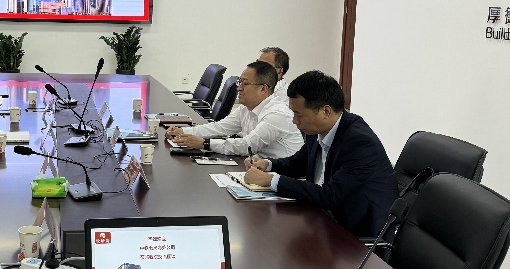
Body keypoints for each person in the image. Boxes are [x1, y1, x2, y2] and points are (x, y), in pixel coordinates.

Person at [243, 71, 397, 238]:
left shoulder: (359, 142)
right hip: (322, 219)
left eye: (299, 114)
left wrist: (270, 180)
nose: (294, 120)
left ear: (326, 111)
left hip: (357, 234)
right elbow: (298, 163)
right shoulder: (316, 129)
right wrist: (267, 164)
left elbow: (330, 196)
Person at [166, 61, 302, 158]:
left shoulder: (276, 114)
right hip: (259, 166)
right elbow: (220, 128)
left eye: (245, 83)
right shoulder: (246, 108)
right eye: (239, 82)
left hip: (282, 175)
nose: (239, 88)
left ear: (263, 88)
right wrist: (183, 131)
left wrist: (204, 143)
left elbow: (247, 146)